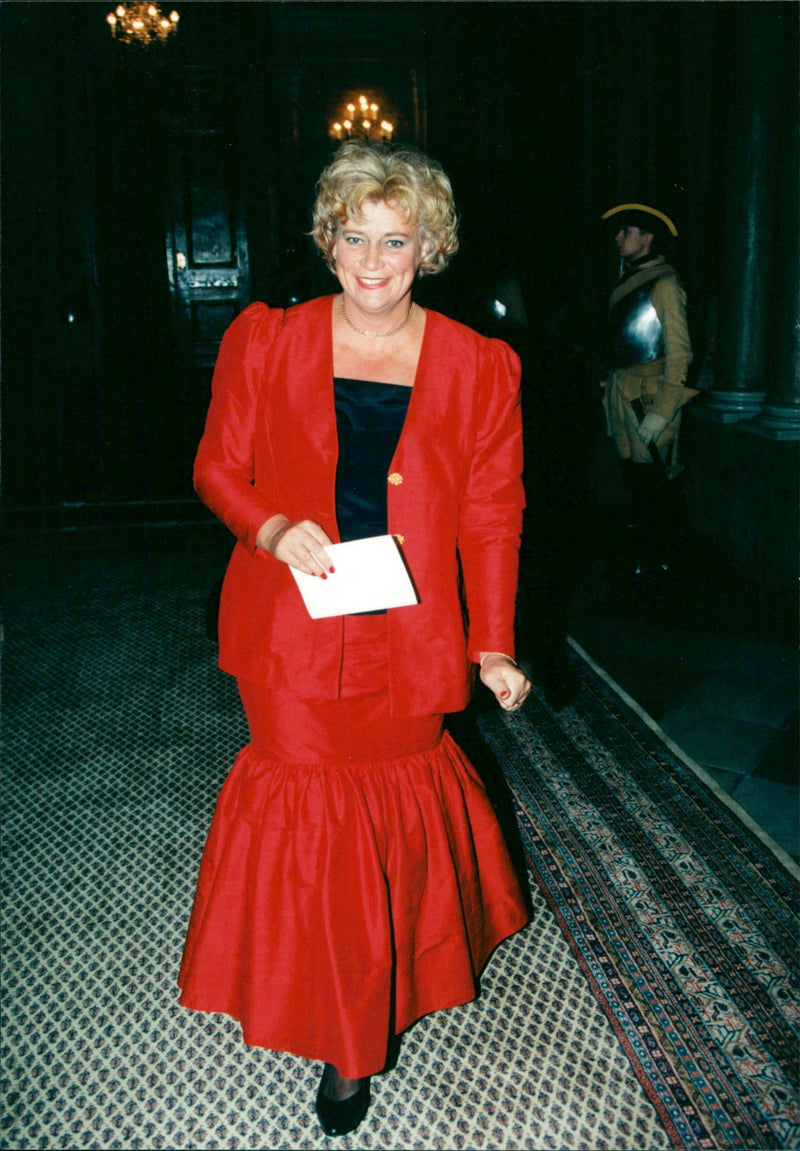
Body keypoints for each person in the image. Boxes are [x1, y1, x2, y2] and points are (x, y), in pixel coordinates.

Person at [178, 141, 531, 1137]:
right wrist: (267, 526)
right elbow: (215, 467)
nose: (371, 262)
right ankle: (339, 1033)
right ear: (325, 239)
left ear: (431, 245)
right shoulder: (265, 338)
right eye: (351, 236)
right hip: (291, 621)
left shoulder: (479, 364)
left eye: (395, 239)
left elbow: (492, 514)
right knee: (310, 815)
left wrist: (492, 643)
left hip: (412, 628)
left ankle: (367, 1012)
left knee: (388, 819)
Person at [600, 202, 697, 581]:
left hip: (651, 399)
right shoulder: (634, 277)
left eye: (627, 231)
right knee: (638, 486)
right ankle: (647, 564)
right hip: (625, 393)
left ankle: (662, 570)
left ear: (648, 238)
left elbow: (680, 351)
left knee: (657, 488)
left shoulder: (665, 284)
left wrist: (665, 409)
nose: (619, 238)